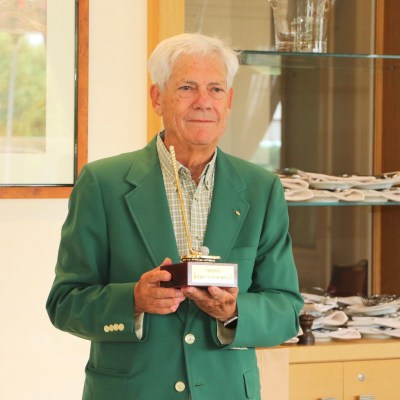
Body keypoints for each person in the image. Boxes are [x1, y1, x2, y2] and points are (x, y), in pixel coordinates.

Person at [46, 33, 303, 400]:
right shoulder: (102, 183)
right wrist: (133, 300)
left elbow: (286, 308)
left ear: (229, 101)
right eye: (186, 87)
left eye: (215, 89)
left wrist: (234, 311)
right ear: (157, 98)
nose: (203, 102)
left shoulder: (261, 189)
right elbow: (65, 303)